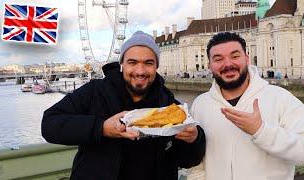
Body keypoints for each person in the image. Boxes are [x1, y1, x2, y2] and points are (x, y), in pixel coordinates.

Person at [42, 31, 205, 180]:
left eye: (148, 63)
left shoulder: (170, 106)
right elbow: (49, 124)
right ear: (122, 64)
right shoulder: (95, 92)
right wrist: (101, 128)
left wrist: (194, 139)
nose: (140, 71)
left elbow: (189, 160)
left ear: (156, 66)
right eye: (132, 62)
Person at [191, 32, 304, 180]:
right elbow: (198, 163)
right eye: (218, 59)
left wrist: (261, 131)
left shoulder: (280, 98)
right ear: (210, 66)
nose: (228, 64)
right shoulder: (200, 104)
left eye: (235, 56)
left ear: (247, 59)